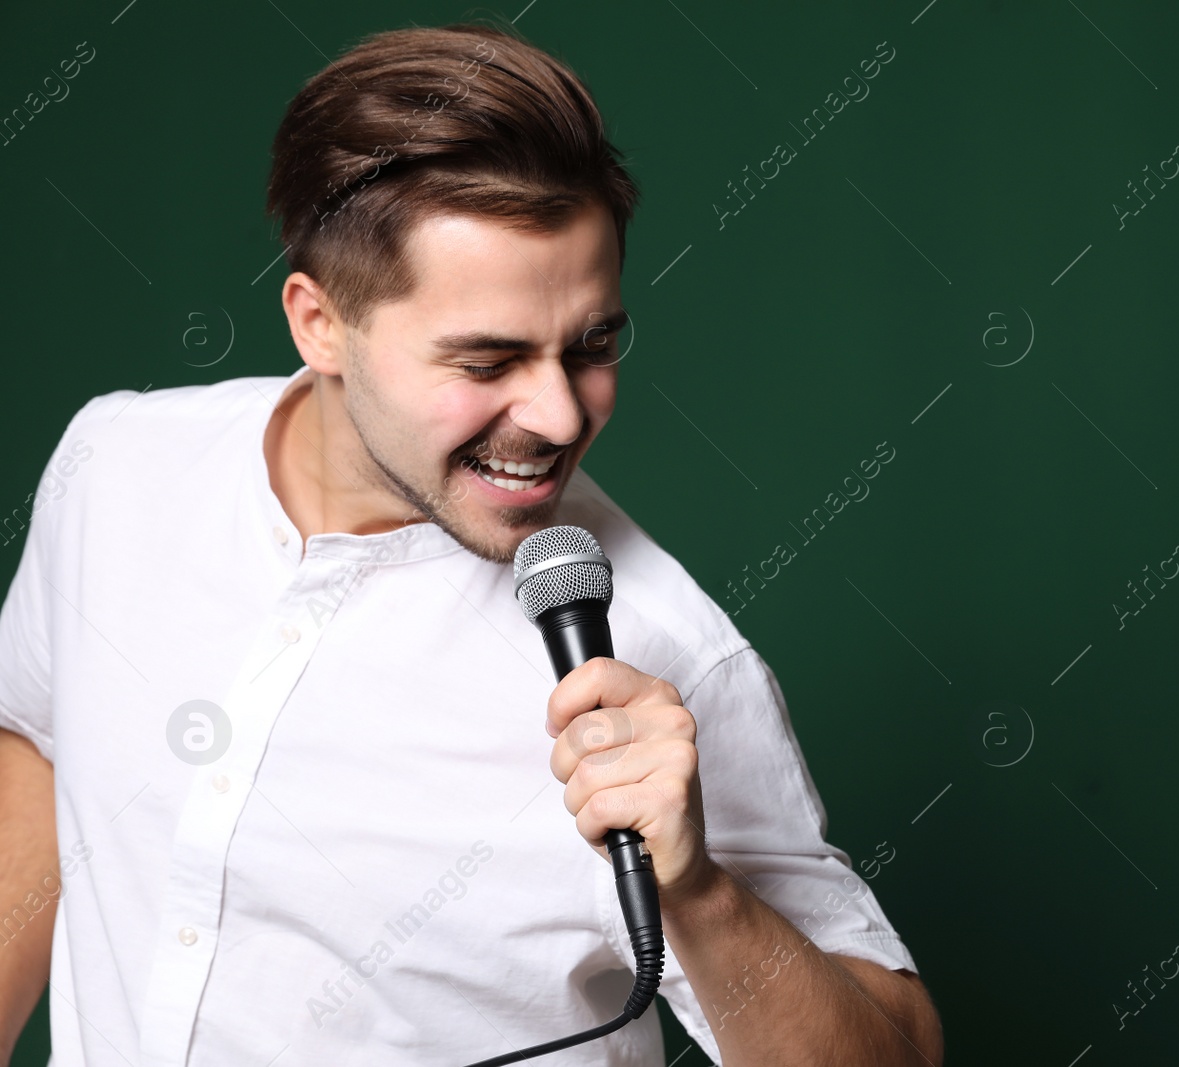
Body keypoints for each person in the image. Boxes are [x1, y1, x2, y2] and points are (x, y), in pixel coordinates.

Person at [0, 21, 941, 1066]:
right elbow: (42, 748)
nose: (554, 412)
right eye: (486, 358)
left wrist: (698, 890)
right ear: (318, 322)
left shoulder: (659, 658)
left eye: (590, 345)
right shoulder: (118, 464)